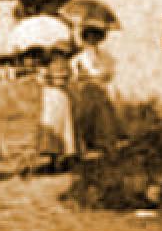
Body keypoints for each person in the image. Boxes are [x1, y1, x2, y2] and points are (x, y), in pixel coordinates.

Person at [69, 26, 120, 156]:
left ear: (100, 39)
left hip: (101, 90)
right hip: (84, 91)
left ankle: (105, 144)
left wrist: (96, 76)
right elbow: (74, 76)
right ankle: (85, 145)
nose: (92, 40)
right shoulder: (78, 58)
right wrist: (83, 76)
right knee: (83, 114)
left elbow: (109, 75)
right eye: (89, 37)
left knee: (104, 114)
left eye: (95, 37)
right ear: (85, 39)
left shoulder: (106, 56)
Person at [35, 50, 79, 173]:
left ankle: (63, 158)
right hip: (49, 98)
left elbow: (70, 78)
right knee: (51, 127)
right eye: (54, 58)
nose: (57, 60)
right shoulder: (43, 70)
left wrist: (60, 78)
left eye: (59, 57)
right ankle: (53, 159)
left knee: (63, 126)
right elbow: (42, 81)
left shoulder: (67, 67)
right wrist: (50, 77)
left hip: (61, 96)